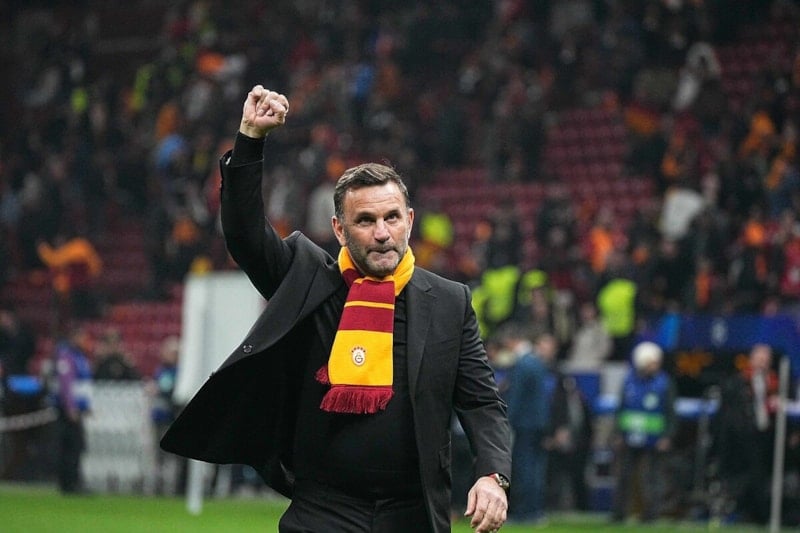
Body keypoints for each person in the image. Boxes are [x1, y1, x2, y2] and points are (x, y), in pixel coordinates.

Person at [161, 85, 512, 533]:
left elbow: (481, 402)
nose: (382, 232)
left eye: (391, 217)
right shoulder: (308, 278)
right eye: (365, 220)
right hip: (323, 510)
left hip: (413, 513)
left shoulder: (449, 301)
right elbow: (245, 236)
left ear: (409, 220)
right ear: (340, 230)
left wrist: (493, 476)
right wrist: (250, 139)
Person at [611, 341, 677, 523]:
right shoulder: (629, 381)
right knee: (624, 476)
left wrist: (667, 435)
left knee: (651, 478)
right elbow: (621, 408)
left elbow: (670, 412)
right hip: (630, 436)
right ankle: (619, 512)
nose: (655, 366)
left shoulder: (664, 383)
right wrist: (618, 432)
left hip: (653, 438)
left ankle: (650, 514)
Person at [716, 343, 779, 524]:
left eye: (766, 360)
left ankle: (759, 516)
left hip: (766, 437)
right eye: (759, 359)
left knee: (761, 478)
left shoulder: (776, 382)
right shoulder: (738, 381)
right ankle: (740, 513)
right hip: (741, 439)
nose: (762, 363)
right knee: (742, 478)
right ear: (751, 359)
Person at [502, 328, 557, 525]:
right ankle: (535, 510)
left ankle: (524, 512)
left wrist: (506, 420)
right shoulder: (536, 361)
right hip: (538, 423)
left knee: (524, 467)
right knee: (535, 468)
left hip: (525, 424)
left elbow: (516, 396)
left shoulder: (522, 364)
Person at [50, 325, 93, 494]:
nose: (84, 341)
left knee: (75, 446)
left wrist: (86, 406)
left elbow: (82, 385)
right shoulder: (66, 356)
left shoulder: (79, 356)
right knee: (72, 446)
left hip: (77, 408)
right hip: (68, 410)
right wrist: (70, 407)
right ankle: (69, 483)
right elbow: (66, 384)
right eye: (82, 337)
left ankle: (72, 481)